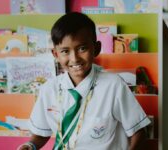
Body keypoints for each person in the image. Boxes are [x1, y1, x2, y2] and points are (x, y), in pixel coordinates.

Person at [18, 12, 150, 150]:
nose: (74, 58)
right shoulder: (49, 89)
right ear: (55, 54)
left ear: (96, 48)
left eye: (82, 48)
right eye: (65, 51)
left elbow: (139, 131)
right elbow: (41, 133)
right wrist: (30, 145)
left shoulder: (113, 85)